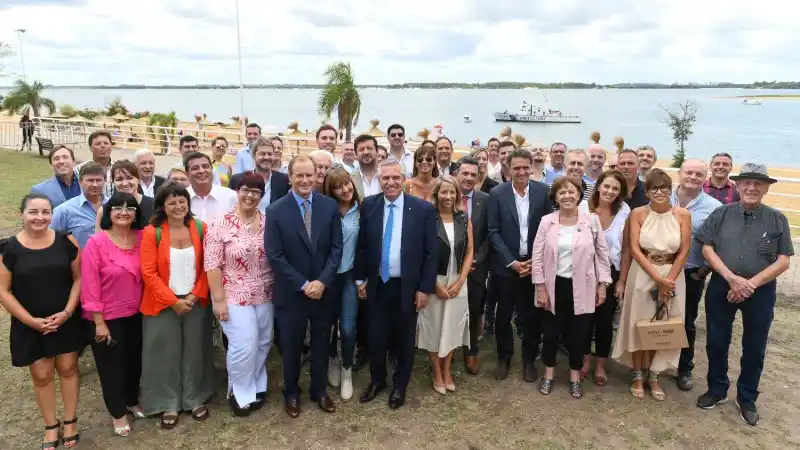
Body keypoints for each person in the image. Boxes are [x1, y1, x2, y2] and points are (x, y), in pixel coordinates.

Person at [695, 163, 792, 426]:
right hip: (721, 285)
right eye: (746, 182)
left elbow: (783, 261)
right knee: (716, 340)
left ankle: (746, 397)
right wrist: (731, 278)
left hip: (760, 291)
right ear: (737, 186)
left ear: (766, 188)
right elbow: (707, 248)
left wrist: (750, 284)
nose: (752, 187)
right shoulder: (722, 214)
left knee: (755, 346)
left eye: (758, 183)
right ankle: (717, 389)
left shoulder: (777, 218)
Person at [0, 194, 82, 450]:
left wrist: (68, 312)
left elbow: (79, 279)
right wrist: (30, 321)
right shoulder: (8, 248)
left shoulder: (66, 241)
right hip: (30, 322)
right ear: (21, 215)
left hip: (65, 317)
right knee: (42, 373)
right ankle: (50, 425)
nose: (40, 218)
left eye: (46, 212)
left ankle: (70, 421)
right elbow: (3, 291)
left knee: (68, 368)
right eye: (33, 212)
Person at [265, 155, 343, 418]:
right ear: (290, 177)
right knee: (291, 347)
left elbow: (336, 248)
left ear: (316, 176)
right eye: (299, 175)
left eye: (309, 175)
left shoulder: (329, 206)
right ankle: (292, 393)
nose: (305, 180)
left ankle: (319, 390)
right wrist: (303, 283)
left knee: (321, 343)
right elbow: (274, 255)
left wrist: (322, 281)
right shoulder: (275, 210)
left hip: (323, 291)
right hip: (292, 292)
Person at [355, 160, 437, 409]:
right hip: (377, 284)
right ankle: (377, 380)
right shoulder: (370, 205)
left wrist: (424, 288)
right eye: (385, 178)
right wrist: (360, 279)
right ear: (379, 180)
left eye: (395, 178)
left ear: (404, 179)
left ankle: (400, 385)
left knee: (404, 339)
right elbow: (362, 245)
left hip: (407, 287)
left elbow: (431, 253)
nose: (390, 182)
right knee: (376, 337)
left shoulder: (421, 209)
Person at [612, 169, 692, 401]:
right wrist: (657, 279)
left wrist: (669, 281)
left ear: (670, 190)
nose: (659, 192)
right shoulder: (637, 213)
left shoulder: (683, 215)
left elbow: (684, 249)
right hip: (643, 272)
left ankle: (654, 376)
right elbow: (634, 249)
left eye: (664, 187)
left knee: (664, 324)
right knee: (640, 323)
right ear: (646, 191)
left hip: (673, 274)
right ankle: (637, 374)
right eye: (654, 188)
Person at [139, 182, 213, 428]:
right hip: (162, 304)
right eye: (171, 202)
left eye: (182, 201)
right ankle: (166, 402)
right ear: (162, 206)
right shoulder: (152, 232)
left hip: (195, 301)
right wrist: (173, 301)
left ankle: (195, 397)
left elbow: (208, 266)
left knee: (196, 351)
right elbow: (148, 273)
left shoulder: (200, 228)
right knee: (163, 354)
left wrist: (193, 296)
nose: (178, 206)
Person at [533, 177, 612, 398]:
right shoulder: (547, 221)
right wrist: (540, 286)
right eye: (562, 193)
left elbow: (602, 256)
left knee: (579, 335)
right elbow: (537, 256)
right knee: (550, 333)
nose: (567, 196)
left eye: (571, 192)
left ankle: (575, 376)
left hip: (584, 288)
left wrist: (602, 285)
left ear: (579, 195)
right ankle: (548, 374)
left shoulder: (592, 222)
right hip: (552, 286)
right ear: (556, 198)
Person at [206, 173, 274, 417]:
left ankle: (257, 382)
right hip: (233, 293)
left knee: (264, 340)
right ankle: (239, 391)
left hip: (266, 292)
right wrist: (219, 300)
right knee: (244, 343)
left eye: (256, 192)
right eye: (246, 190)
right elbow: (212, 264)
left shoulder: (268, 222)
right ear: (237, 191)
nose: (250, 195)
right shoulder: (219, 224)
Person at [81, 192, 145, 436]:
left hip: (138, 313)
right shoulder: (96, 243)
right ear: (108, 212)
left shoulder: (142, 238)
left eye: (130, 207)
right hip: (106, 317)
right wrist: (99, 321)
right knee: (111, 366)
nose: (124, 211)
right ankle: (118, 412)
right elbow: (90, 285)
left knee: (134, 361)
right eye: (118, 207)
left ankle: (131, 400)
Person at [487, 149, 553, 382]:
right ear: (508, 168)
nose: (522, 172)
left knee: (531, 316)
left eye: (526, 167)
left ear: (532, 167)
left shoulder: (543, 192)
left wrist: (535, 260)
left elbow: (549, 228)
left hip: (534, 265)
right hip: (506, 267)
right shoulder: (497, 193)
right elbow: (493, 231)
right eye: (517, 168)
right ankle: (504, 358)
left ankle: (528, 361)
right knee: (503, 315)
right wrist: (511, 262)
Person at [417, 175, 473, 394]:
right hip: (435, 280)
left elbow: (469, 251)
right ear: (436, 194)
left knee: (452, 326)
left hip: (457, 280)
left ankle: (447, 369)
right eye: (444, 192)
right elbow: (420, 254)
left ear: (457, 194)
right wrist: (433, 284)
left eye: (452, 192)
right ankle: (436, 371)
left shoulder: (463, 218)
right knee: (433, 326)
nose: (448, 196)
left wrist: (460, 281)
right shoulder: (428, 218)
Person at [671, 160, 722, 391]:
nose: (692, 176)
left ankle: (684, 368)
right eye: (688, 172)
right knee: (653, 315)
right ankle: (651, 364)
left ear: (706, 178)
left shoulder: (713, 207)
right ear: (680, 173)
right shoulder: (662, 197)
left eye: (698, 174)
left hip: (691, 273)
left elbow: (718, 244)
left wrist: (702, 272)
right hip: (658, 269)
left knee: (686, 322)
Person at [578, 170, 630, 386]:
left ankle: (600, 365)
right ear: (598, 186)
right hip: (583, 271)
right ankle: (584, 362)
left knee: (604, 322)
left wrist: (621, 281)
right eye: (607, 186)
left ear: (620, 192)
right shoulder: (583, 207)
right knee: (583, 319)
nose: (610, 191)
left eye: (615, 188)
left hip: (610, 271)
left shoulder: (625, 211)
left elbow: (626, 249)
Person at [321, 168, 361, 401]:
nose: (345, 190)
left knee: (347, 328)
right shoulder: (326, 211)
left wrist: (361, 277)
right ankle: (332, 360)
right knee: (327, 326)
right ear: (330, 190)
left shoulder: (362, 209)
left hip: (350, 276)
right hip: (328, 277)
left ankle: (347, 370)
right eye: (338, 186)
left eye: (347, 184)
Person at [454, 158, 490, 374]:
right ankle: (446, 350)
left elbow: (490, 232)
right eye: (464, 173)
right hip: (450, 267)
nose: (468, 178)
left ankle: (471, 350)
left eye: (473, 175)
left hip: (476, 267)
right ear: (457, 173)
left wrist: (476, 258)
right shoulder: (446, 196)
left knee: (474, 310)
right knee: (449, 310)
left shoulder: (485, 200)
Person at [51, 162, 107, 248]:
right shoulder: (64, 211)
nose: (95, 185)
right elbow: (51, 239)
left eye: (99, 180)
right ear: (80, 182)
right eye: (90, 180)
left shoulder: (113, 206)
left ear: (105, 181)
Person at [228, 136, 291, 212]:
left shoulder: (283, 180)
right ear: (253, 156)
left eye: (270, 154)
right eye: (262, 154)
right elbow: (231, 207)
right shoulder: (237, 179)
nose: (267, 157)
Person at [94, 160, 155, 229]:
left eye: (129, 178)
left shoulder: (154, 206)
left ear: (138, 180)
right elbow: (98, 238)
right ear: (113, 182)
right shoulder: (103, 211)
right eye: (119, 179)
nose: (125, 183)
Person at [184, 151, 238, 223]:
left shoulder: (231, 196)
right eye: (195, 168)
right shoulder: (182, 197)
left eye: (205, 166)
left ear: (212, 170)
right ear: (187, 174)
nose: (201, 171)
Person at [75, 131, 115, 198]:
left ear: (111, 147)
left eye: (106, 143)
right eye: (98, 144)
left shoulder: (118, 169)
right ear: (90, 148)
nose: (103, 146)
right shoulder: (78, 169)